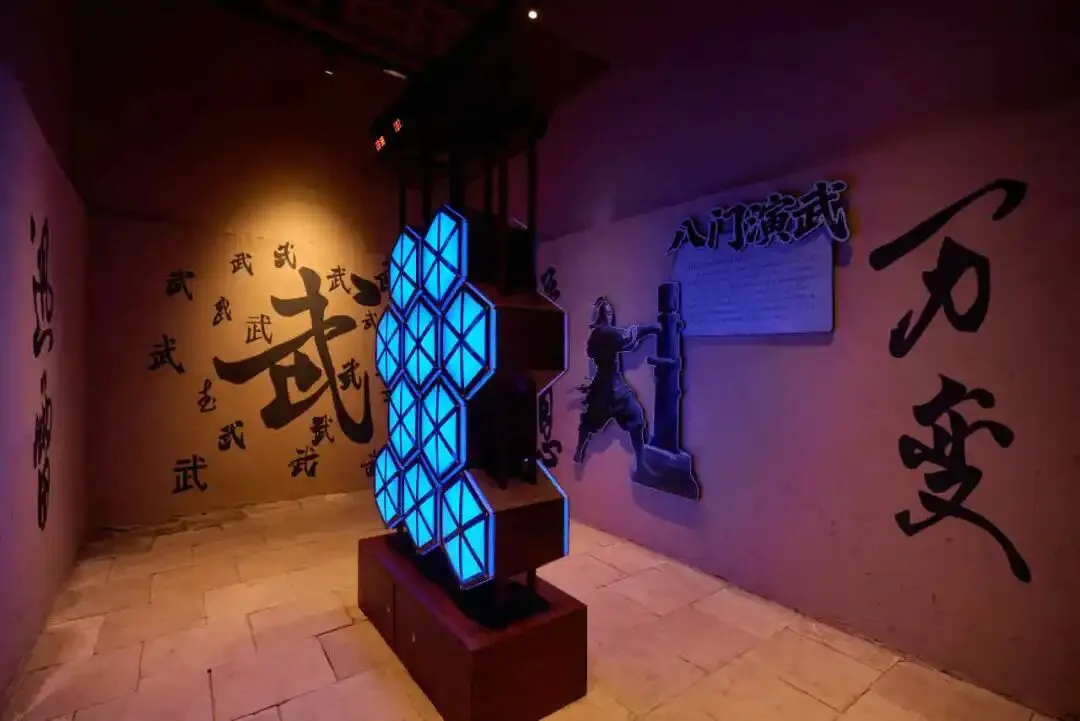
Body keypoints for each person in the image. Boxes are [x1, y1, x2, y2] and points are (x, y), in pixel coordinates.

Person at [573, 296, 659, 472]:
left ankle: (580, 451)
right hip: (612, 387)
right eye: (607, 313)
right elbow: (627, 337)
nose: (610, 315)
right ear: (601, 315)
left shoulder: (595, 336)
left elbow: (594, 353)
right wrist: (652, 328)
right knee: (635, 417)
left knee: (591, 421)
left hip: (603, 384)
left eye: (610, 312)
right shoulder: (607, 333)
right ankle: (641, 463)